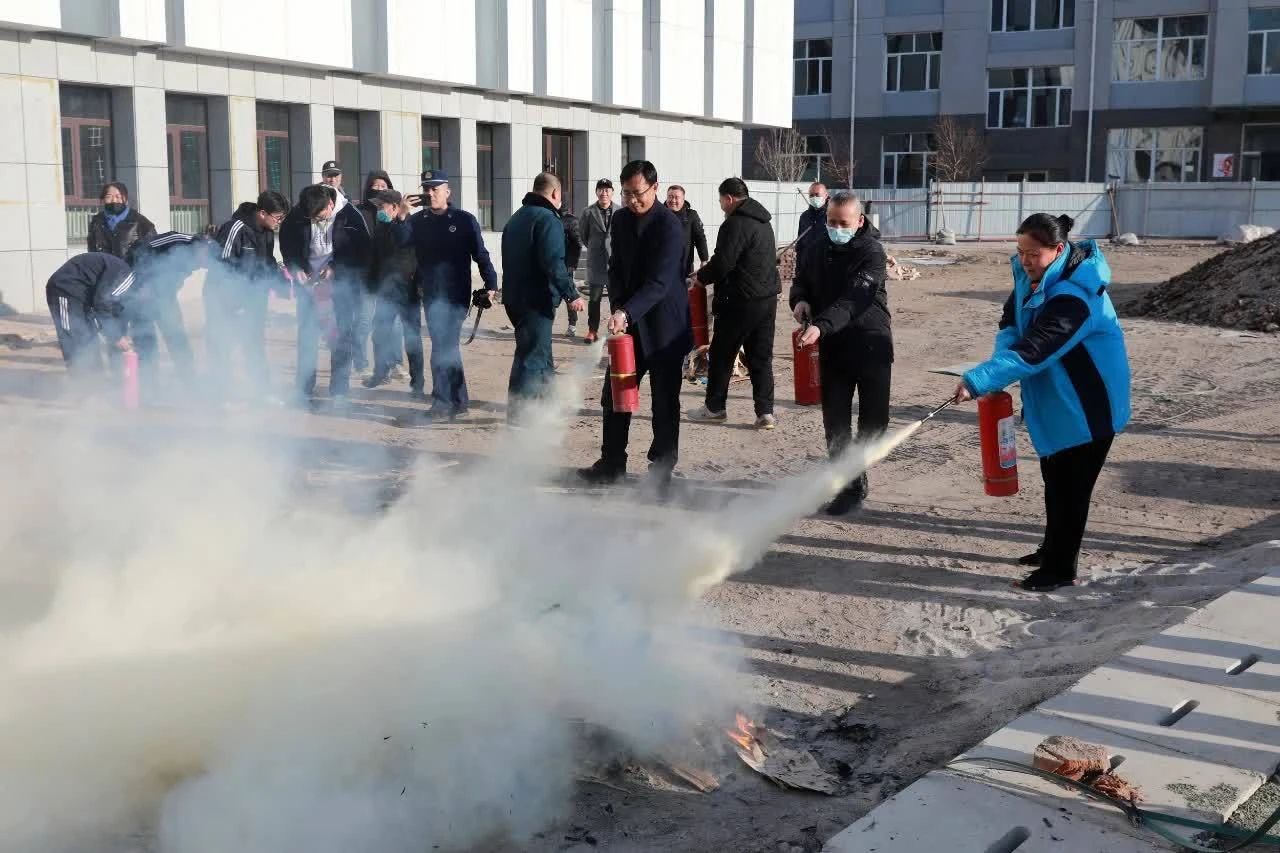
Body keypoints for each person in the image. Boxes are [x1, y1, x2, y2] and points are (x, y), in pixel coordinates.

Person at [954, 213, 1131, 592]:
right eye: (1020, 252)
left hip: (1088, 408)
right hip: (1058, 403)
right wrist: (995, 371)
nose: (1025, 261)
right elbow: (1011, 327)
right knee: (1055, 480)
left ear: (1058, 249)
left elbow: (1036, 348)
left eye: (1033, 253)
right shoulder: (1030, 280)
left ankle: (1060, 569)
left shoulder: (1076, 297)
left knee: (1072, 490)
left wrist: (979, 379)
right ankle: (1052, 549)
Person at [578, 160, 690, 492]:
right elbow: (615, 267)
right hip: (629, 326)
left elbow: (660, 282)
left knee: (664, 401)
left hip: (665, 327)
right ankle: (612, 463)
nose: (631, 200)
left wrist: (626, 312)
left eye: (637, 193)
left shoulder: (670, 226)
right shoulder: (622, 219)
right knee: (615, 394)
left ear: (655, 188)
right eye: (626, 193)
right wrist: (617, 306)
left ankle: (661, 471)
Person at [789, 190, 891, 516]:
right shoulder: (816, 247)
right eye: (831, 222)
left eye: (843, 223)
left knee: (874, 423)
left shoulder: (872, 252)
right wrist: (800, 300)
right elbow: (801, 280)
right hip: (833, 347)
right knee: (836, 423)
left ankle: (856, 468)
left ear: (859, 221)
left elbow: (854, 299)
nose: (836, 228)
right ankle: (849, 486)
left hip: (871, 343)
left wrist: (821, 326)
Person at [390, 169, 497, 420]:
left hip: (456, 293)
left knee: (442, 347)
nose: (430, 193)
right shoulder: (418, 220)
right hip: (430, 292)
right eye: (426, 189)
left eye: (435, 189)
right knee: (446, 347)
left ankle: (442, 402)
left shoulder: (464, 220)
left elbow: (480, 254)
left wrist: (491, 284)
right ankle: (458, 401)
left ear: (447, 192)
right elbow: (401, 243)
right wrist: (402, 216)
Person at [688, 178, 780, 430]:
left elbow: (723, 262)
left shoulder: (734, 223)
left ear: (729, 199)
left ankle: (714, 408)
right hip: (767, 299)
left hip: (739, 300)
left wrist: (701, 278)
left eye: (720, 201)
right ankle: (765, 413)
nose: (721, 206)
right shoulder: (764, 222)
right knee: (761, 357)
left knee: (722, 355)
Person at [500, 173, 587, 421]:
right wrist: (571, 294)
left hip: (515, 299)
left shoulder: (516, 217)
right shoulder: (548, 219)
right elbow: (553, 262)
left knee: (541, 353)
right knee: (531, 359)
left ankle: (549, 405)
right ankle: (519, 417)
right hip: (535, 301)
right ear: (555, 194)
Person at [280, 183, 370, 406]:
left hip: (340, 287)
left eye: (320, 217)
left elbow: (363, 251)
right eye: (312, 218)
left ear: (330, 204)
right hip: (308, 285)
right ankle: (303, 390)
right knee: (307, 336)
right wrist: (296, 268)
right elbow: (287, 246)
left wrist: (336, 268)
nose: (317, 221)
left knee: (341, 337)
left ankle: (339, 392)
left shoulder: (351, 215)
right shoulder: (298, 214)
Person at [206, 190, 291, 402]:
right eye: (278, 217)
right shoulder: (234, 228)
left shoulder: (267, 232)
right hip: (225, 298)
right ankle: (219, 396)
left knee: (254, 344)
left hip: (253, 298)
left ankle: (262, 392)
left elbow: (267, 262)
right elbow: (220, 265)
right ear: (262, 213)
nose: (279, 222)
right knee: (223, 344)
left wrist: (284, 285)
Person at [364, 189, 424, 396]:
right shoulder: (381, 227)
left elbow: (405, 243)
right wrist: (371, 286)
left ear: (395, 207)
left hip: (407, 291)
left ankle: (417, 383)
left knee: (412, 338)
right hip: (385, 290)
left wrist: (402, 218)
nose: (378, 210)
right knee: (379, 333)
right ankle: (380, 373)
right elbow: (374, 258)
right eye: (377, 206)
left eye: (382, 206)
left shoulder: (410, 225)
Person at [45, 252, 142, 377]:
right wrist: (116, 337)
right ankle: (80, 382)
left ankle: (95, 380)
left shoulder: (129, 291)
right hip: (64, 288)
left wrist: (120, 335)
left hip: (83, 297)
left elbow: (115, 314)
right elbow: (101, 303)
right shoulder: (127, 278)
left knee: (90, 339)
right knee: (73, 338)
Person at [127, 231, 207, 381]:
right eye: (205, 259)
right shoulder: (178, 239)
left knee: (177, 336)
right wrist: (142, 284)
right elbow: (140, 249)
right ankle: (149, 382)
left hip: (165, 297)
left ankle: (189, 380)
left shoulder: (195, 258)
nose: (203, 265)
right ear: (201, 247)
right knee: (145, 337)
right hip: (141, 293)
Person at [352, 170, 393, 376]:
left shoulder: (394, 211)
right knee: (364, 320)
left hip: (388, 276)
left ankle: (389, 364)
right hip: (365, 276)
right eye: (375, 186)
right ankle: (360, 363)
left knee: (390, 323)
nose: (379, 189)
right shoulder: (359, 212)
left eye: (383, 186)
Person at [578, 178, 620, 343]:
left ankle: (617, 329)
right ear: (596, 192)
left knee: (615, 298)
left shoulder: (620, 211)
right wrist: (595, 247)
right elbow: (583, 235)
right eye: (601, 190)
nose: (604, 193)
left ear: (612, 192)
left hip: (615, 262)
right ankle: (592, 330)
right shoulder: (588, 212)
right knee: (594, 300)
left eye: (607, 190)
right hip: (596, 262)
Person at [86, 181, 156, 261]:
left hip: (131, 267)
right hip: (105, 266)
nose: (114, 200)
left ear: (125, 199)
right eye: (109, 197)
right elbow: (91, 248)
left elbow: (152, 247)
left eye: (118, 197)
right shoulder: (97, 221)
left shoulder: (139, 220)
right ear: (103, 199)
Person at [665, 185, 709, 276]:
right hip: (662, 267)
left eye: (676, 197)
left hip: (685, 268)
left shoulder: (691, 215)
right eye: (670, 197)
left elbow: (700, 238)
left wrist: (704, 260)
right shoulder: (659, 214)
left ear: (683, 199)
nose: (673, 200)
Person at [560, 205, 584, 338]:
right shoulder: (550, 217)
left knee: (569, 294)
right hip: (559, 263)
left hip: (565, 264)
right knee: (567, 294)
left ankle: (572, 325)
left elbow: (578, 243)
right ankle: (572, 326)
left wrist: (572, 263)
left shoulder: (570, 221)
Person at [797, 181, 828, 254]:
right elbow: (800, 241)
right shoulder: (804, 216)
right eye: (811, 195)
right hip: (807, 257)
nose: (814, 197)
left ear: (826, 195)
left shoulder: (832, 215)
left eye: (817, 195)